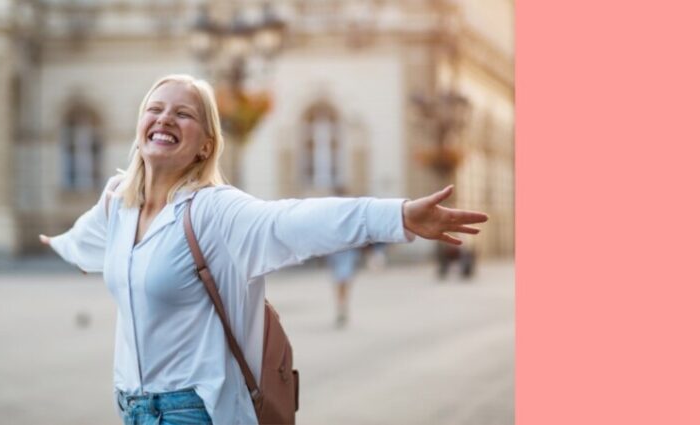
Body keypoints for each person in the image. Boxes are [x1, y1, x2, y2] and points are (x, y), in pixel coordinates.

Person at [39, 74, 488, 425]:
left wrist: (397, 216)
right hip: (131, 407)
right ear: (140, 128)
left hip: (192, 411)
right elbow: (87, 239)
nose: (165, 119)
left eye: (183, 114)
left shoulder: (214, 211)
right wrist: (62, 247)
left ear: (205, 147)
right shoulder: (118, 203)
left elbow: (291, 222)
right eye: (155, 109)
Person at [326, 247, 360, 327]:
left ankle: (342, 305)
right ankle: (341, 305)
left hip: (347, 252)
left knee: (344, 280)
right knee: (340, 280)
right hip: (336, 252)